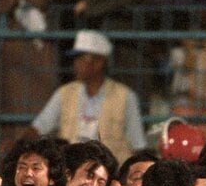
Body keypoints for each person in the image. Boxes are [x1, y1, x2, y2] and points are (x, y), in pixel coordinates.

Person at [31, 30, 146, 161]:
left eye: (81, 59)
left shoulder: (125, 96)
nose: (76, 64)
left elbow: (137, 144)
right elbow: (40, 126)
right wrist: (20, 144)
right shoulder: (65, 93)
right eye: (76, 59)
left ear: (99, 62)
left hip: (110, 173)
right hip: (72, 171)